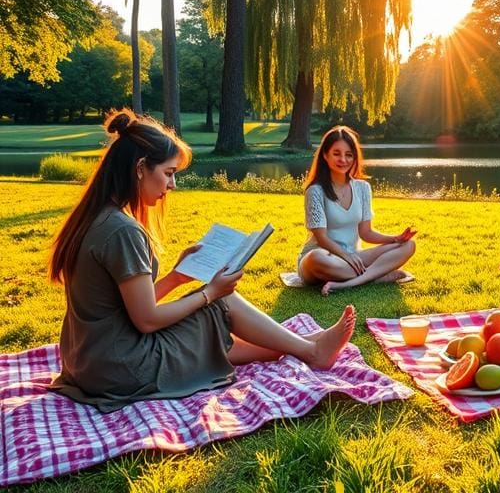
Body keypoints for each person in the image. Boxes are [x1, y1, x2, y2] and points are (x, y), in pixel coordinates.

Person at [48, 109, 356, 412]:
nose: (172, 185)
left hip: (86, 362)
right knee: (221, 306)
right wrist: (211, 292)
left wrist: (176, 278)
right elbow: (146, 320)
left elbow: (124, 307)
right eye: (169, 173)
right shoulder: (123, 231)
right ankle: (312, 351)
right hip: (121, 369)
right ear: (141, 168)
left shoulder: (96, 218)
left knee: (206, 319)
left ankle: (297, 346)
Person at [298, 125, 417, 295]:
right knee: (316, 258)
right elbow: (322, 238)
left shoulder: (362, 188)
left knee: (408, 246)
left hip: (354, 258)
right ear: (325, 155)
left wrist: (395, 239)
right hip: (324, 259)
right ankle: (376, 275)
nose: (343, 160)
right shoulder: (315, 191)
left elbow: (366, 233)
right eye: (336, 153)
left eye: (349, 155)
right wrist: (346, 257)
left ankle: (349, 283)